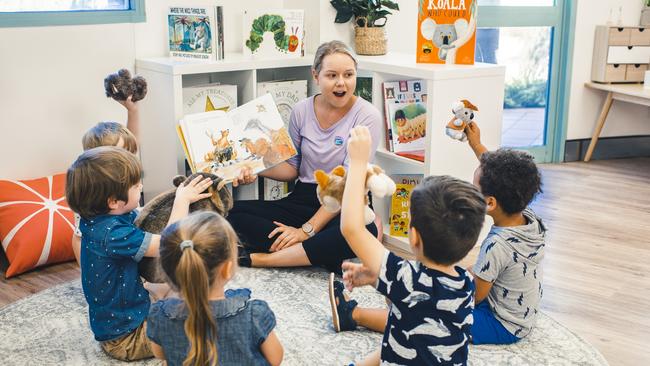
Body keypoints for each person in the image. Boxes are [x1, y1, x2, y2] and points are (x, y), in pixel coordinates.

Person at [227, 40, 382, 273]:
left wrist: (305, 231)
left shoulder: (368, 115)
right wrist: (252, 169)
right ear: (316, 76)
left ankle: (262, 258)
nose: (341, 83)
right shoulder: (301, 110)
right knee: (229, 214)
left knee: (361, 231)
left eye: (349, 75)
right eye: (332, 75)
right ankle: (313, 253)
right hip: (303, 197)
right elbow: (292, 169)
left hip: (342, 202)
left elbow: (346, 185)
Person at [336, 126, 486, 365]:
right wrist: (376, 277)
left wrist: (358, 162)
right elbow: (408, 310)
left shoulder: (404, 276)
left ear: (413, 237)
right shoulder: (466, 284)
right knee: (405, 332)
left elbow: (351, 229)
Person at [65, 146, 213, 361]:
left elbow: (146, 216)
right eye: (135, 186)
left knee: (180, 285)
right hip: (127, 338)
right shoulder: (112, 234)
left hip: (127, 307)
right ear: (113, 201)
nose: (141, 186)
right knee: (200, 323)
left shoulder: (96, 219)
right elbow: (168, 242)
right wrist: (182, 201)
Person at [147, 212, 283, 366]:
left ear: (168, 273)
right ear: (227, 268)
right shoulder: (254, 315)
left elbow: (160, 354)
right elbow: (275, 359)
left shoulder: (160, 315)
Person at [465, 122, 546, 344]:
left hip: (501, 324)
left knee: (435, 318)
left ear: (490, 202)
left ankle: (359, 315)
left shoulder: (497, 246)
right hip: (521, 316)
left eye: (474, 188)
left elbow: (475, 298)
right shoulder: (529, 219)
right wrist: (476, 144)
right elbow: (501, 174)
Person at [71, 95, 141, 265]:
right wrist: (87, 269)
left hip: (127, 233)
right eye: (122, 154)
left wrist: (133, 111)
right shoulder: (93, 194)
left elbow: (134, 140)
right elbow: (79, 237)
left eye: (129, 154)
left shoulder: (126, 171)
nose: (129, 159)